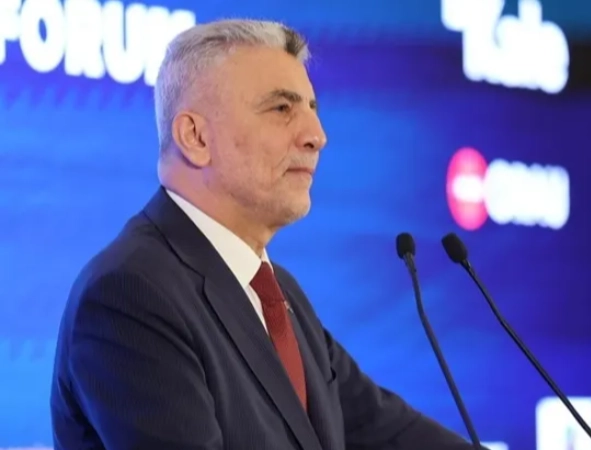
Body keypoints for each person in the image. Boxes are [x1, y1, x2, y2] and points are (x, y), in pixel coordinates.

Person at [49, 18, 481, 450]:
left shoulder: (278, 293)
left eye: (312, 108)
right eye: (281, 109)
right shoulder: (130, 294)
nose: (317, 136)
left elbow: (385, 432)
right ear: (195, 137)